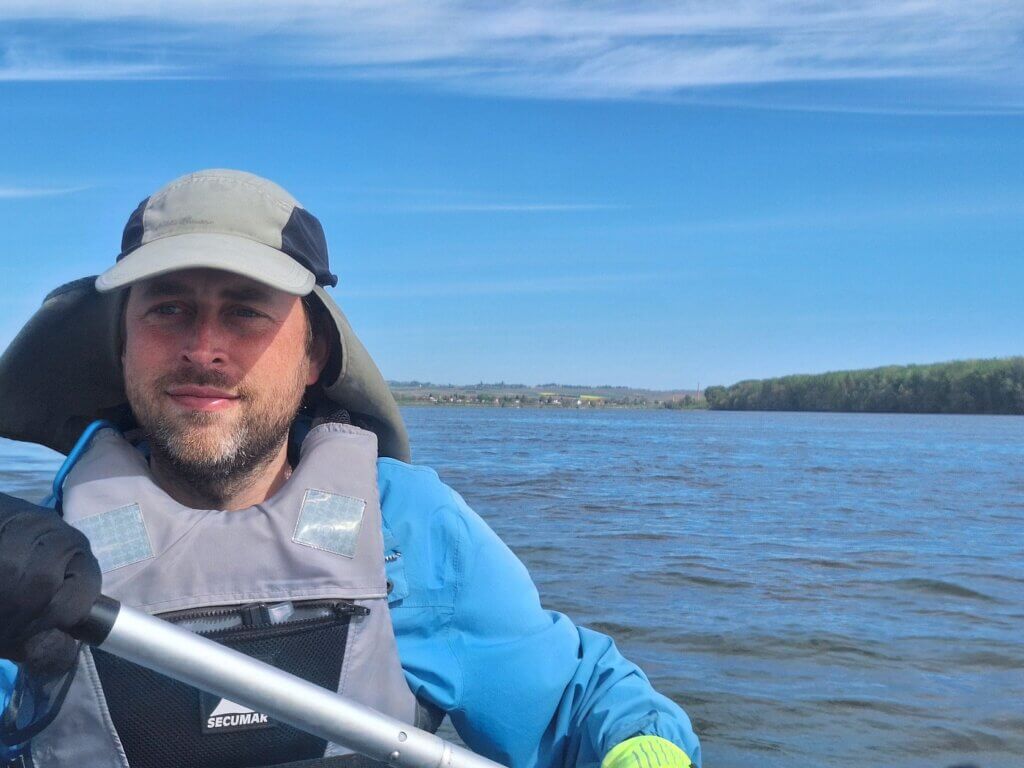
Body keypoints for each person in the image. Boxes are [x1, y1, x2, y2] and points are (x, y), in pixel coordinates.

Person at [0, 170, 700, 768]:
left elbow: (580, 706)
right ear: (123, 350)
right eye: (168, 309)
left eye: (245, 312)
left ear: (314, 359)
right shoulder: (34, 558)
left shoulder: (411, 531)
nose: (203, 346)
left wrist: (641, 748)